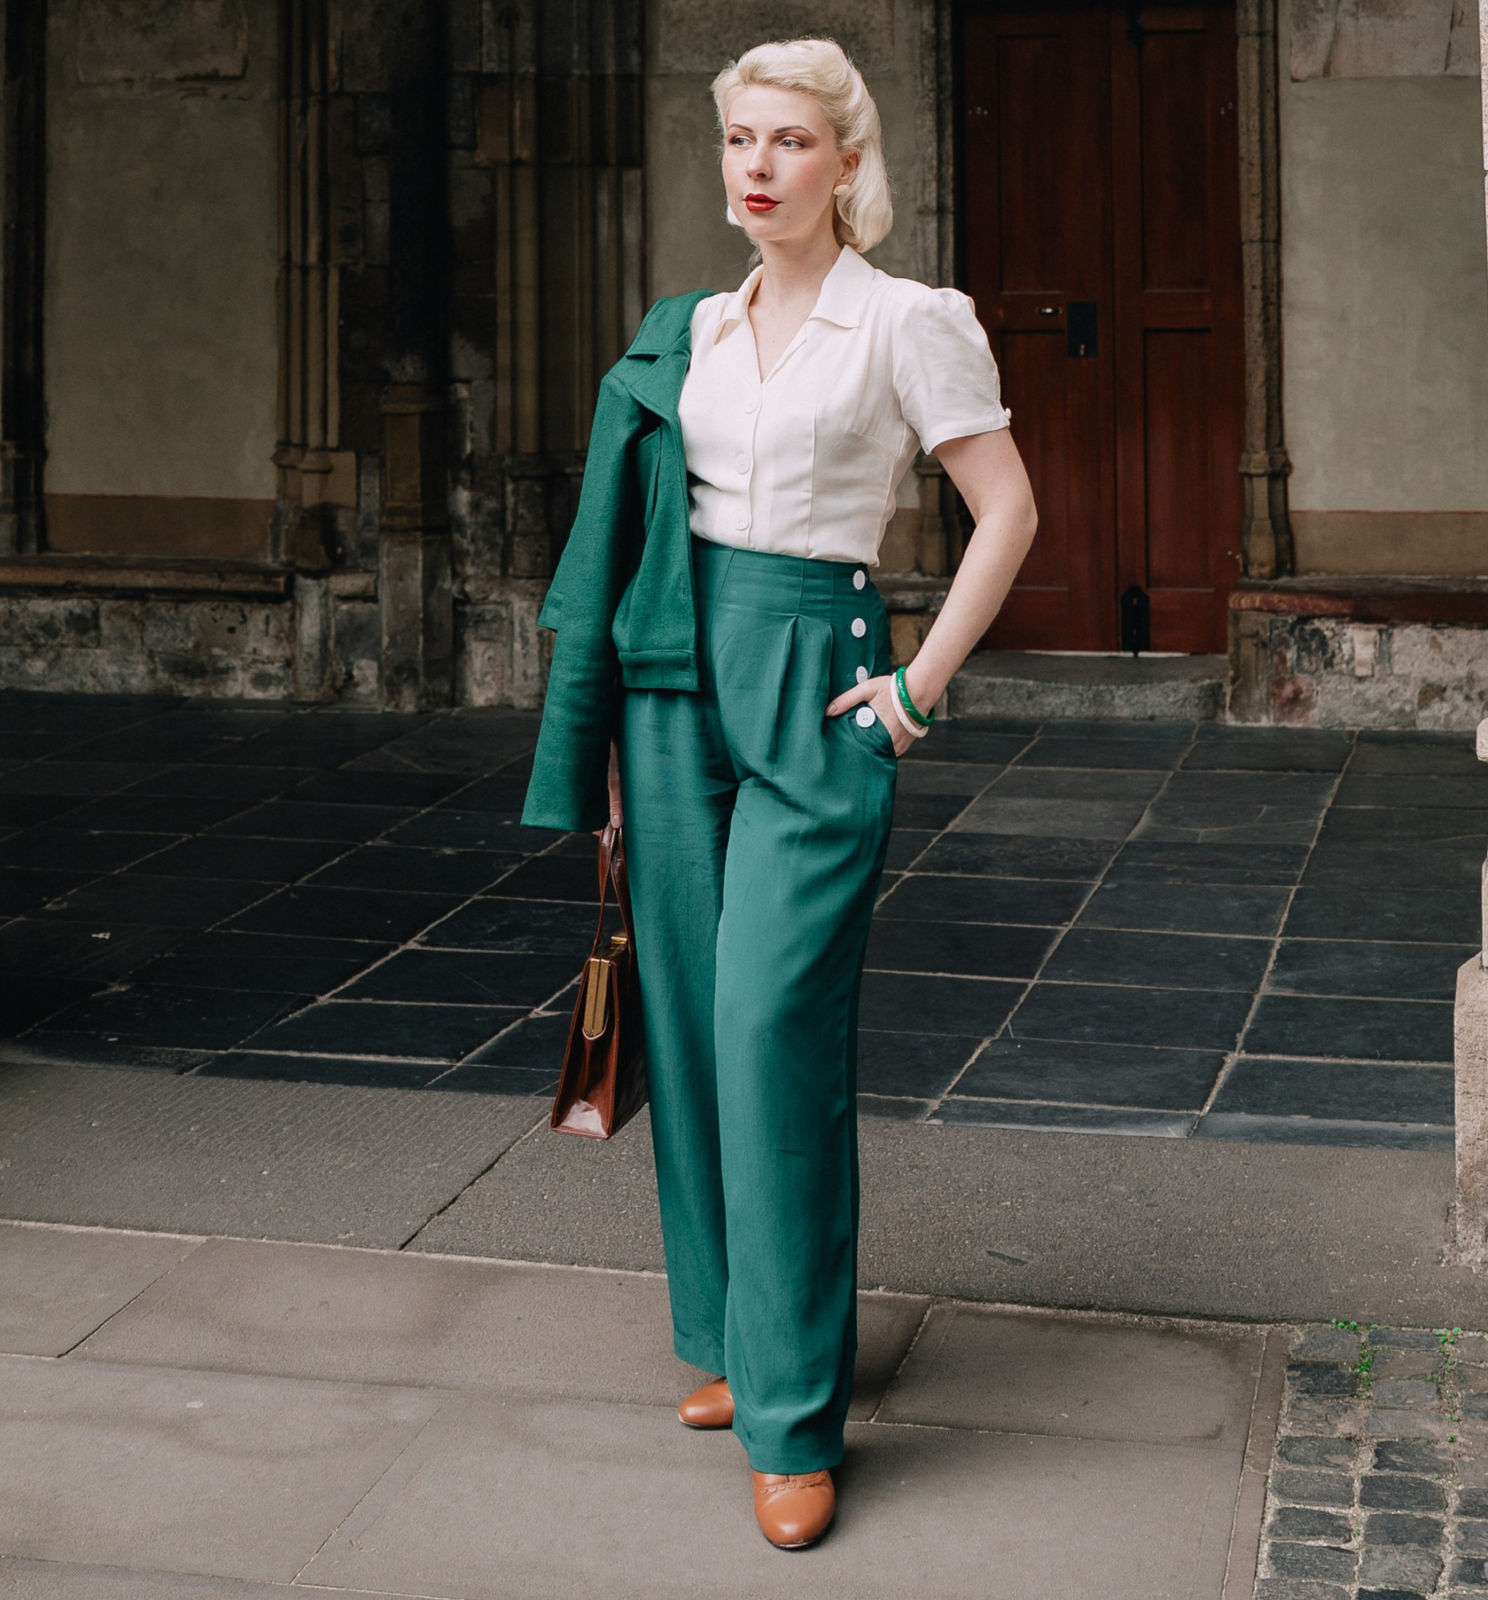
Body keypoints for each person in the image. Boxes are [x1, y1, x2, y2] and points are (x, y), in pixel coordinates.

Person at [521, 36, 1038, 1549]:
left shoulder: (910, 323)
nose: (758, 167)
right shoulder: (693, 325)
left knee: (768, 1028)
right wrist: (613, 735)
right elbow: (643, 528)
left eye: (791, 142)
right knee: (685, 1019)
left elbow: (1006, 510)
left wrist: (917, 690)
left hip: (817, 668)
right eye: (740, 139)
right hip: (675, 672)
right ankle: (745, 1348)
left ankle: (797, 1423)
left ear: (848, 164)